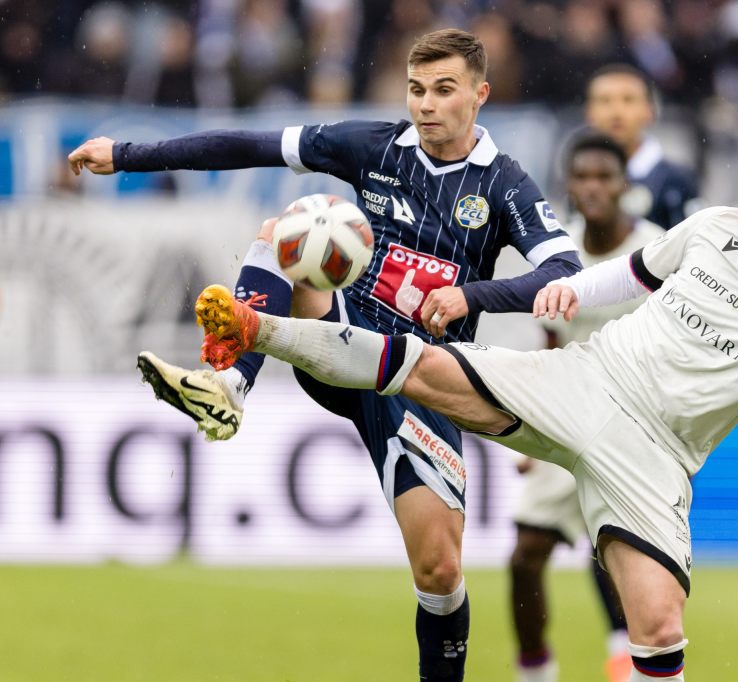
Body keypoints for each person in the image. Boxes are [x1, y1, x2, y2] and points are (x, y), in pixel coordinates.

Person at [183, 140, 738, 681]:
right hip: (586, 378)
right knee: (422, 366)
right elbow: (635, 276)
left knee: (659, 628)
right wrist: (574, 289)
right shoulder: (716, 230)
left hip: (655, 458)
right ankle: (261, 330)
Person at [68, 28, 581, 682]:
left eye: (444, 90)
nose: (426, 104)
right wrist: (130, 155)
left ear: (479, 96)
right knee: (287, 228)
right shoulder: (373, 145)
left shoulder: (504, 185)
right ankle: (228, 384)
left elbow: (562, 267)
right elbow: (251, 144)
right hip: (343, 339)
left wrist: (470, 296)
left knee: (441, 572)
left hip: (425, 380)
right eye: (416, 89)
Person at [509, 133, 664, 682]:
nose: (593, 187)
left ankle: (628, 658)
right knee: (525, 557)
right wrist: (530, 435)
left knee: (622, 558)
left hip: (630, 429)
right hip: (565, 420)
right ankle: (536, 671)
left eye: (605, 176)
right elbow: (550, 344)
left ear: (625, 185)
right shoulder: (560, 253)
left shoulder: (657, 250)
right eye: (583, 177)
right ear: (569, 187)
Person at [584, 63, 701, 230]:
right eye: (604, 101)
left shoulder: (678, 179)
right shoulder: (579, 176)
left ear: (650, 111)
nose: (616, 112)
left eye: (628, 100)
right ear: (589, 113)